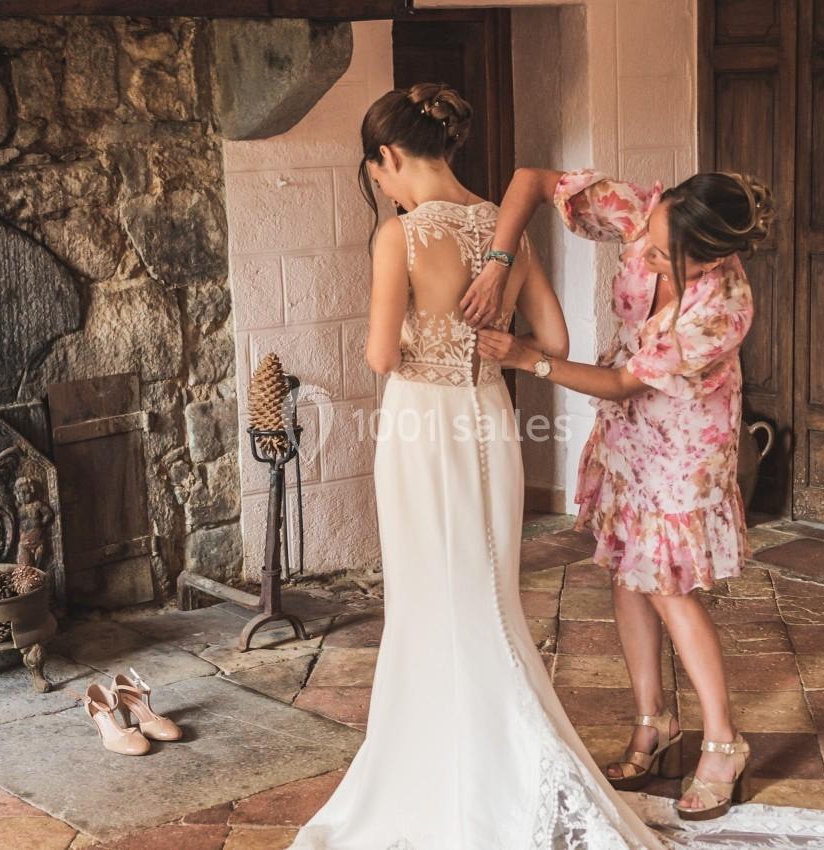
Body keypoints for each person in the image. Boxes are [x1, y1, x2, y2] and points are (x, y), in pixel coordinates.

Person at [289, 81, 667, 850]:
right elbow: (553, 344)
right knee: (489, 595)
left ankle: (443, 771)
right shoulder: (507, 234)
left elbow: (379, 354)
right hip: (491, 419)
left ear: (388, 157)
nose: (383, 187)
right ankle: (509, 759)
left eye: (379, 173)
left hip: (422, 427)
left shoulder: (399, 236)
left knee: (430, 596)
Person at [473, 166, 766, 819]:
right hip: (629, 439)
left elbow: (629, 381)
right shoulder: (650, 208)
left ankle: (724, 741)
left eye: (662, 253)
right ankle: (654, 718)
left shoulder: (721, 310)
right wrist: (498, 261)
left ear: (712, 255)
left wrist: (529, 359)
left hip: (686, 444)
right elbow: (528, 181)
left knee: (668, 587)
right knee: (626, 573)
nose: (645, 250)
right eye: (649, 239)